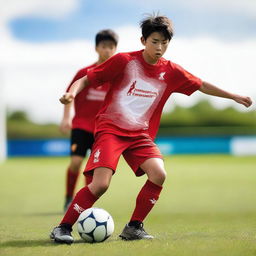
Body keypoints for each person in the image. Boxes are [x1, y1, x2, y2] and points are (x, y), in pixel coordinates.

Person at [50, 14, 252, 244]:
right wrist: (71, 94)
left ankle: (134, 227)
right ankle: (63, 227)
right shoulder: (124, 61)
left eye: (164, 43)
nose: (160, 47)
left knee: (159, 174)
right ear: (143, 40)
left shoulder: (172, 71)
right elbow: (86, 79)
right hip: (110, 130)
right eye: (154, 41)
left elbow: (201, 84)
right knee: (100, 185)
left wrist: (233, 96)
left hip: (139, 135)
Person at [60, 29, 118, 211]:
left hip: (101, 130)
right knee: (76, 162)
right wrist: (66, 117)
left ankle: (85, 203)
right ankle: (69, 197)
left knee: (92, 169)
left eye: (111, 47)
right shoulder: (84, 73)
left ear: (115, 49)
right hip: (80, 126)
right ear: (96, 48)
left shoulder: (116, 76)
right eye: (104, 46)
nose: (107, 50)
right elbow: (70, 94)